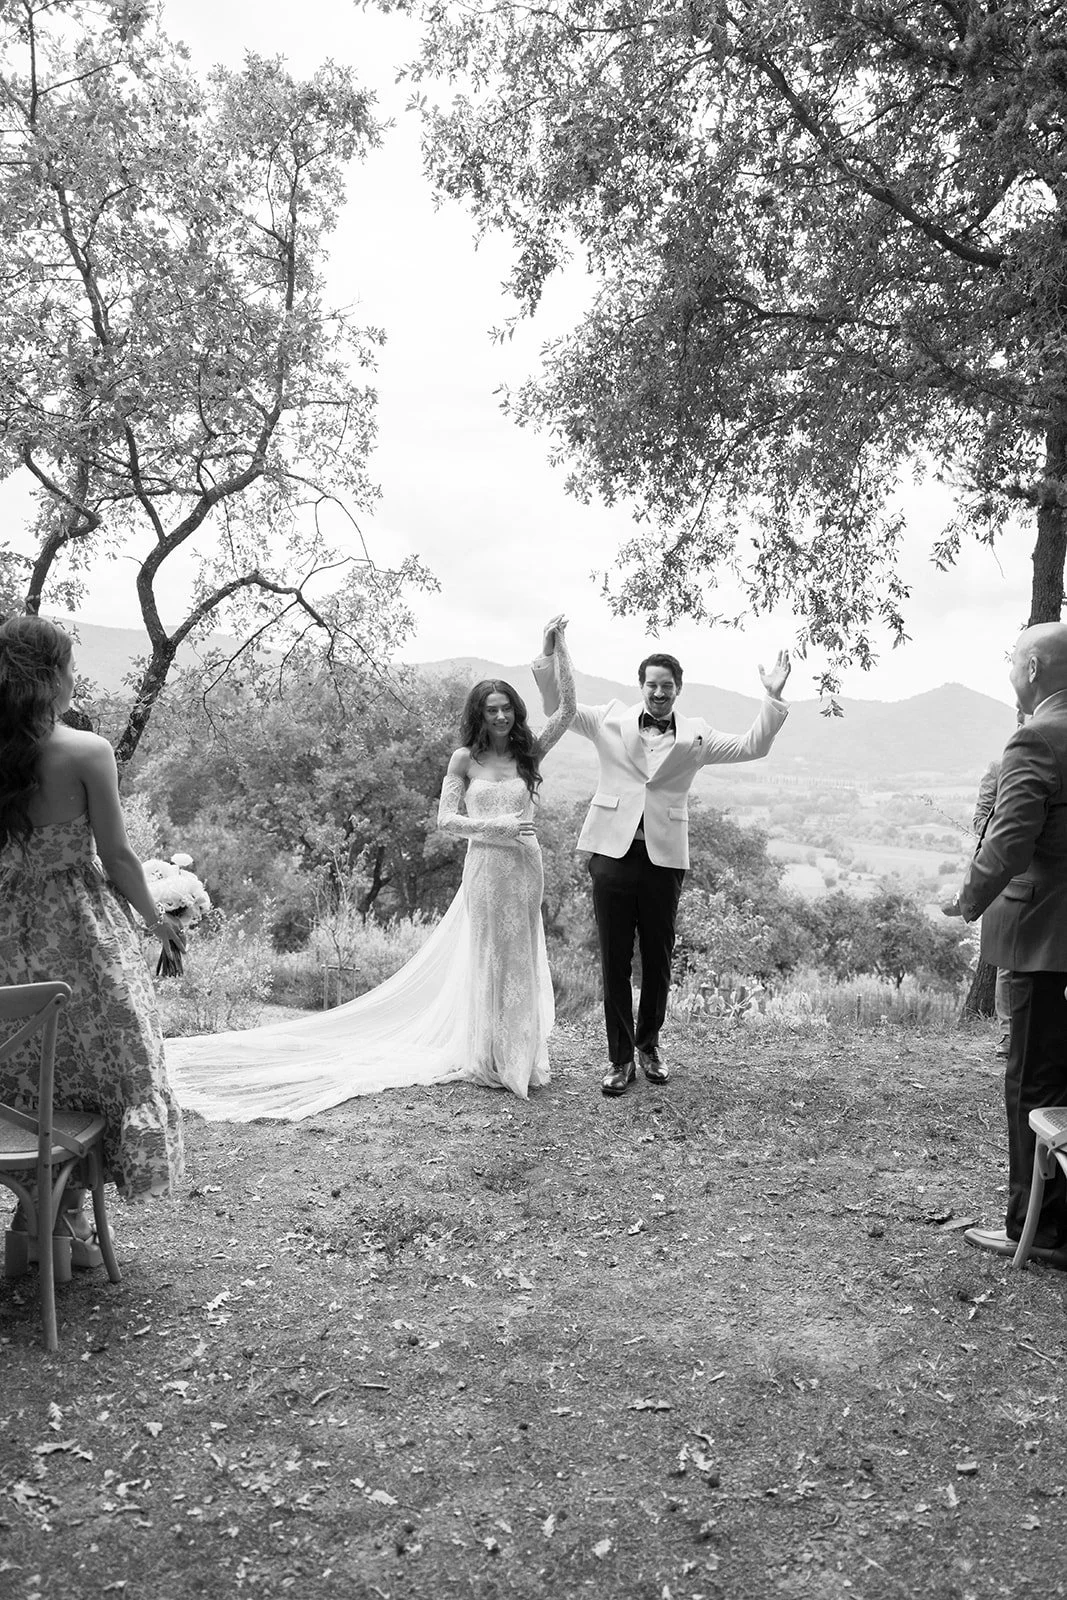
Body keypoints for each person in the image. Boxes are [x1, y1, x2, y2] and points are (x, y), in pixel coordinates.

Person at [167, 618, 576, 1118]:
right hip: (487, 867)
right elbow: (447, 821)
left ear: (515, 711)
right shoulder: (463, 759)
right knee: (489, 957)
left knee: (521, 957)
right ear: (479, 715)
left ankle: (524, 1058)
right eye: (491, 710)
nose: (500, 717)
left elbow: (569, 710)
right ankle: (491, 1057)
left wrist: (555, 651)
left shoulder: (527, 753)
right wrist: (500, 828)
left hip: (524, 869)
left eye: (506, 708)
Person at [0, 616, 186, 1268]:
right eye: (71, 665)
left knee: (30, 1081)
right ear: (51, 677)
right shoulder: (86, 752)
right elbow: (120, 858)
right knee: (109, 1069)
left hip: (8, 938)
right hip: (80, 937)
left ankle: (41, 1229)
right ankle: (60, 1232)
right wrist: (157, 921)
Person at [533, 642, 791, 1094]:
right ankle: (618, 1060)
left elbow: (753, 746)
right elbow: (559, 708)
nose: (658, 693)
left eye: (666, 687)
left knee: (657, 958)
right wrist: (549, 659)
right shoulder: (608, 718)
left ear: (678, 690)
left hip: (664, 859)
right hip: (611, 856)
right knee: (613, 959)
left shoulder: (697, 734)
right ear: (641, 686)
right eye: (651, 685)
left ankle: (648, 1047)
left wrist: (771, 698)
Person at [943, 623, 1067, 1264]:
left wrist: (967, 902)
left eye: (1015, 660)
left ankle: (1038, 1229)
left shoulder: (1038, 738)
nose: (1011, 670)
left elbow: (1010, 842)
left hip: (1045, 940)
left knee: (1033, 1084)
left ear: (1036, 667)